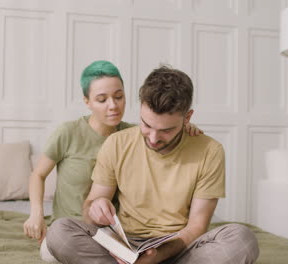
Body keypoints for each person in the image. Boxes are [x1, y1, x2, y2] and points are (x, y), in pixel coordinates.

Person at [45, 66, 259, 264]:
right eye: (146, 125)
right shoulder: (117, 143)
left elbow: (197, 226)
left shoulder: (209, 151)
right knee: (59, 232)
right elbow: (90, 204)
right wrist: (95, 209)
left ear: (188, 117)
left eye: (166, 130)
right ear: (141, 108)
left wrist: (155, 257)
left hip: (179, 247)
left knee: (242, 239)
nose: (154, 138)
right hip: (124, 246)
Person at [23, 61, 203, 260]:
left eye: (119, 97)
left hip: (116, 236)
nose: (113, 106)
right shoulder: (68, 133)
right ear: (87, 101)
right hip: (76, 231)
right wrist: (36, 214)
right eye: (102, 99)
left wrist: (183, 126)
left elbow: (162, 131)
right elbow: (38, 175)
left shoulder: (137, 135)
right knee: (51, 251)